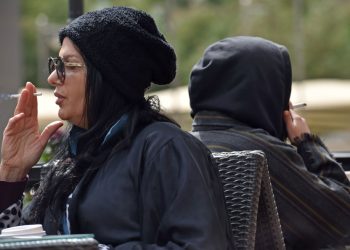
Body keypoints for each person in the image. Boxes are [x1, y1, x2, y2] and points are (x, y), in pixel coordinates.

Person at [0, 7, 234, 249]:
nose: (53, 78)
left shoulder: (165, 148)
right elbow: (17, 241)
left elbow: (202, 244)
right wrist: (12, 173)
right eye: (57, 63)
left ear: (109, 78)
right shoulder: (75, 159)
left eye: (70, 65)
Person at [188, 36, 350, 249]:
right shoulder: (264, 152)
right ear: (267, 92)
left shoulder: (181, 146)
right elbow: (342, 217)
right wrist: (306, 142)